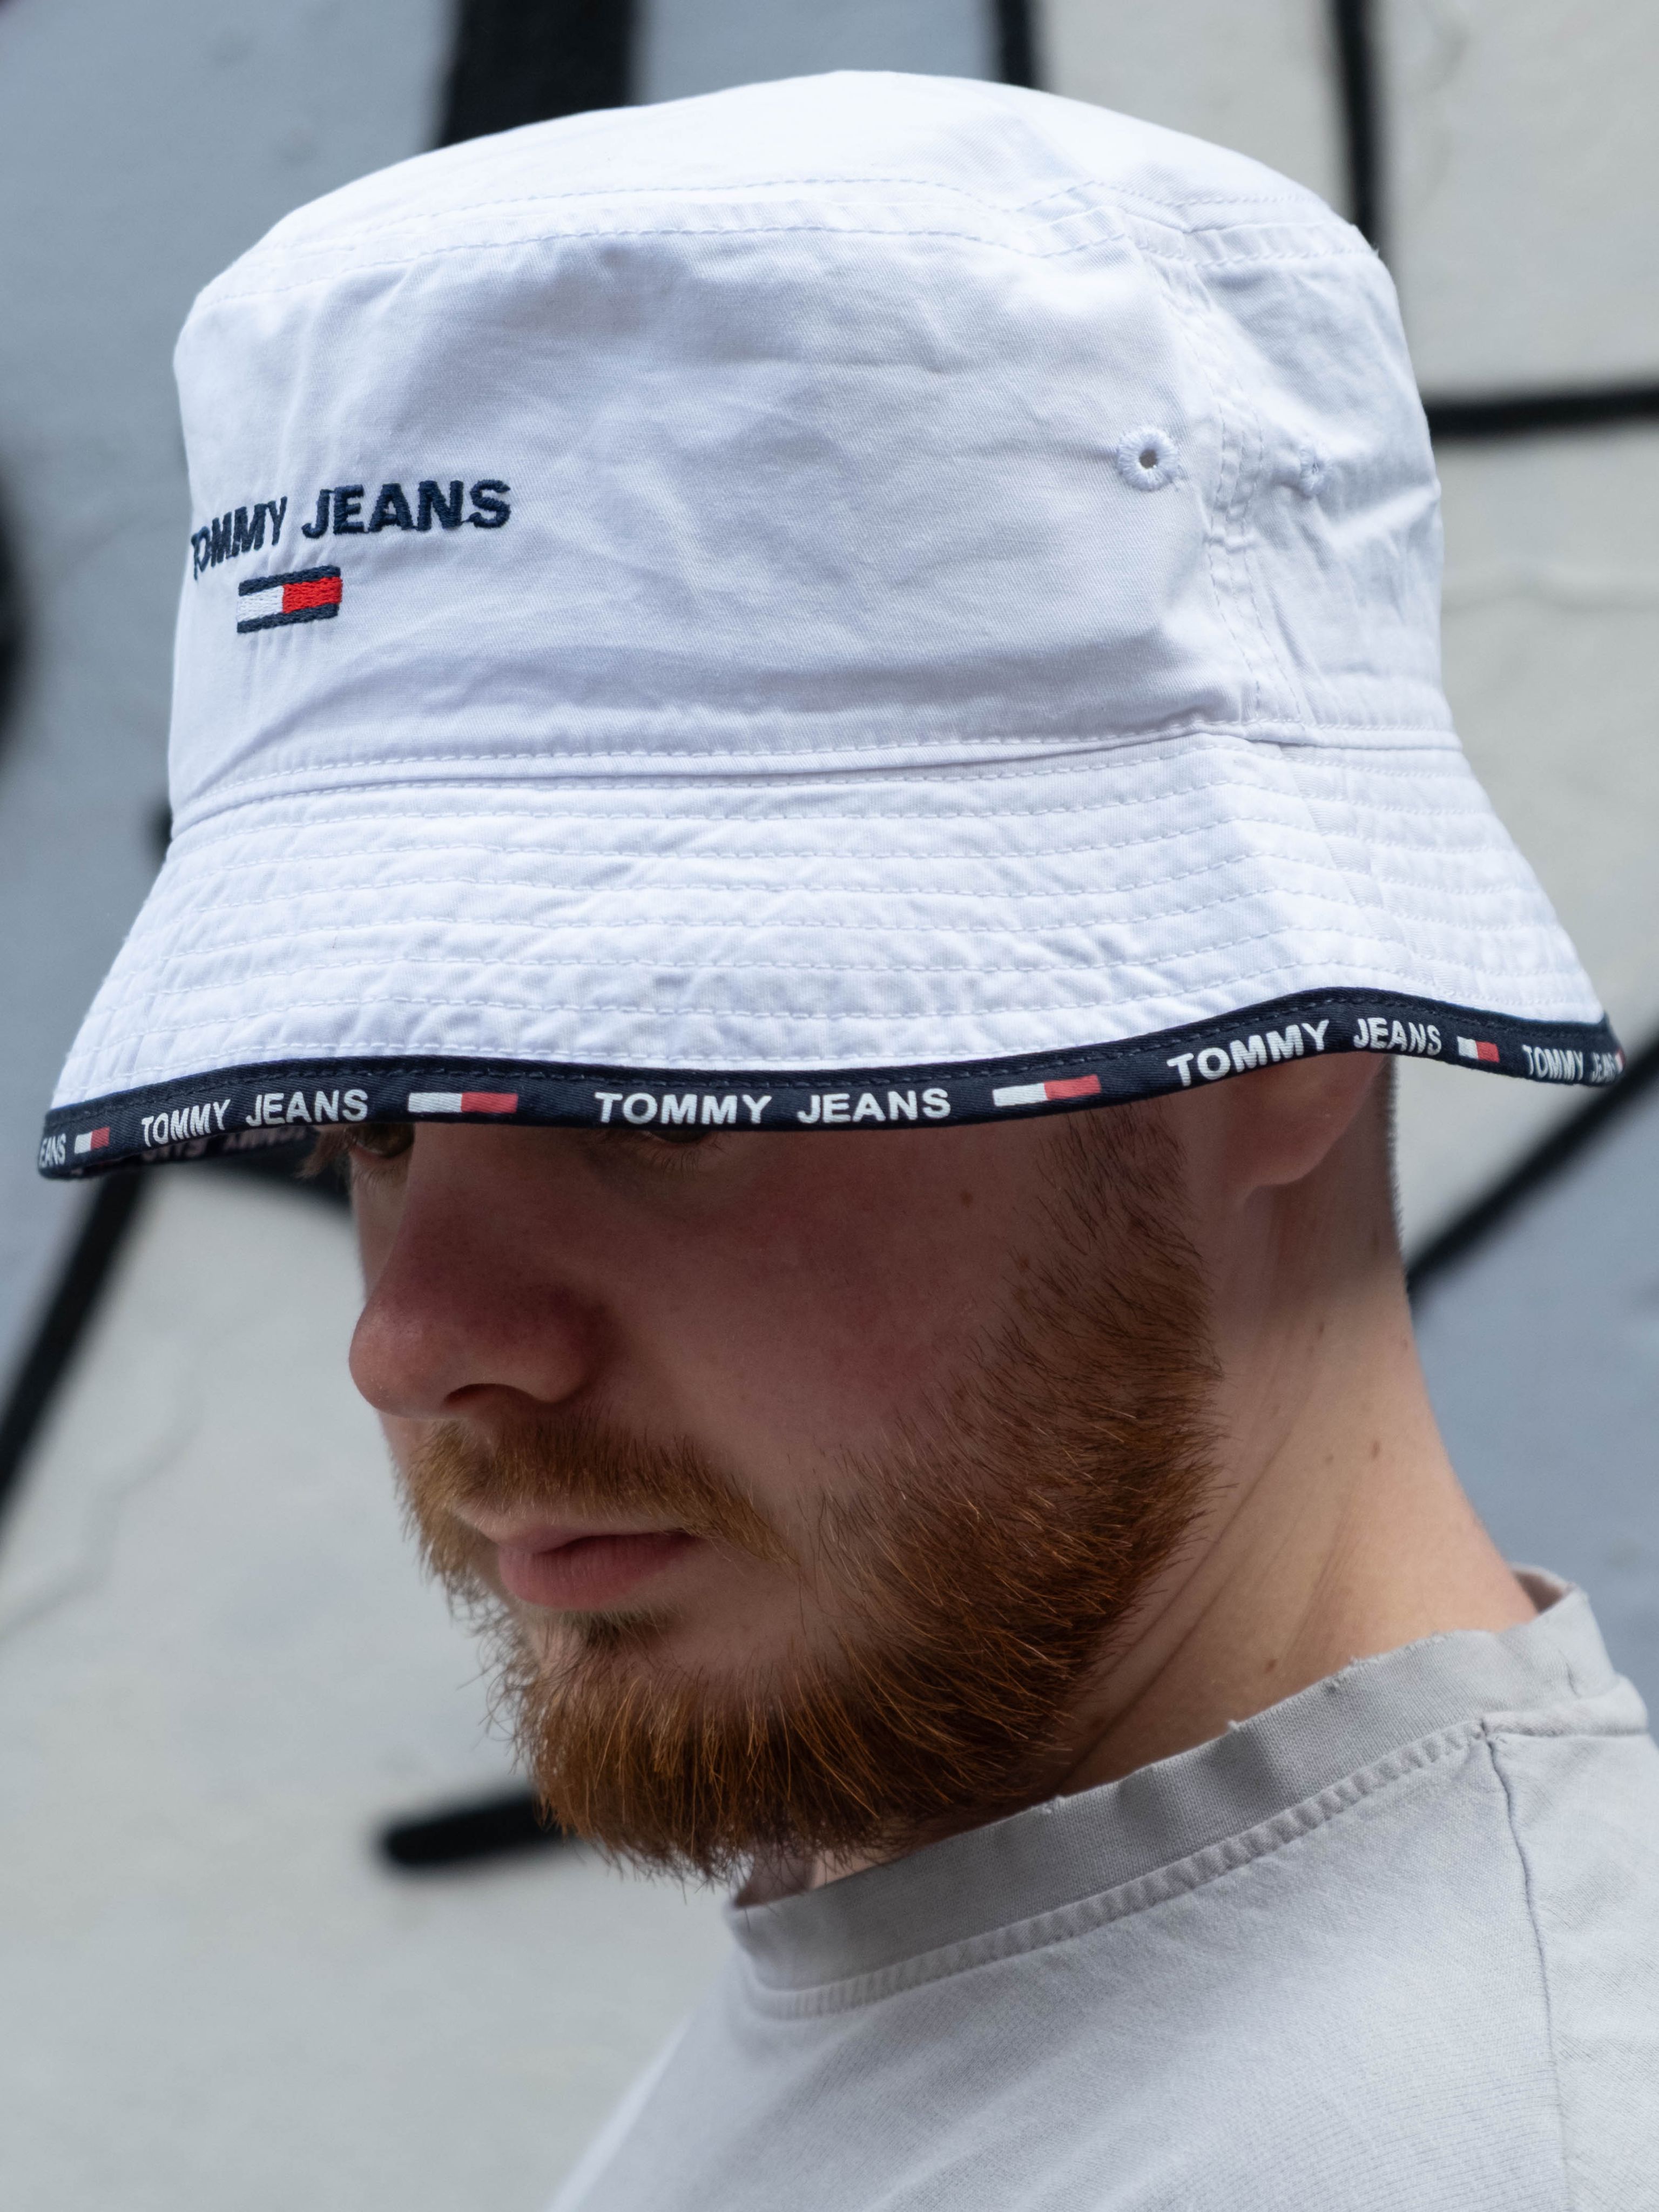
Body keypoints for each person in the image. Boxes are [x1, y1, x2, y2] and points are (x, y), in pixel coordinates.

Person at [44, 70, 1658, 2210]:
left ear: (1287, 1029)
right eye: (370, 1123)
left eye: (659, 1092)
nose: (414, 1339)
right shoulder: (975, 1993)